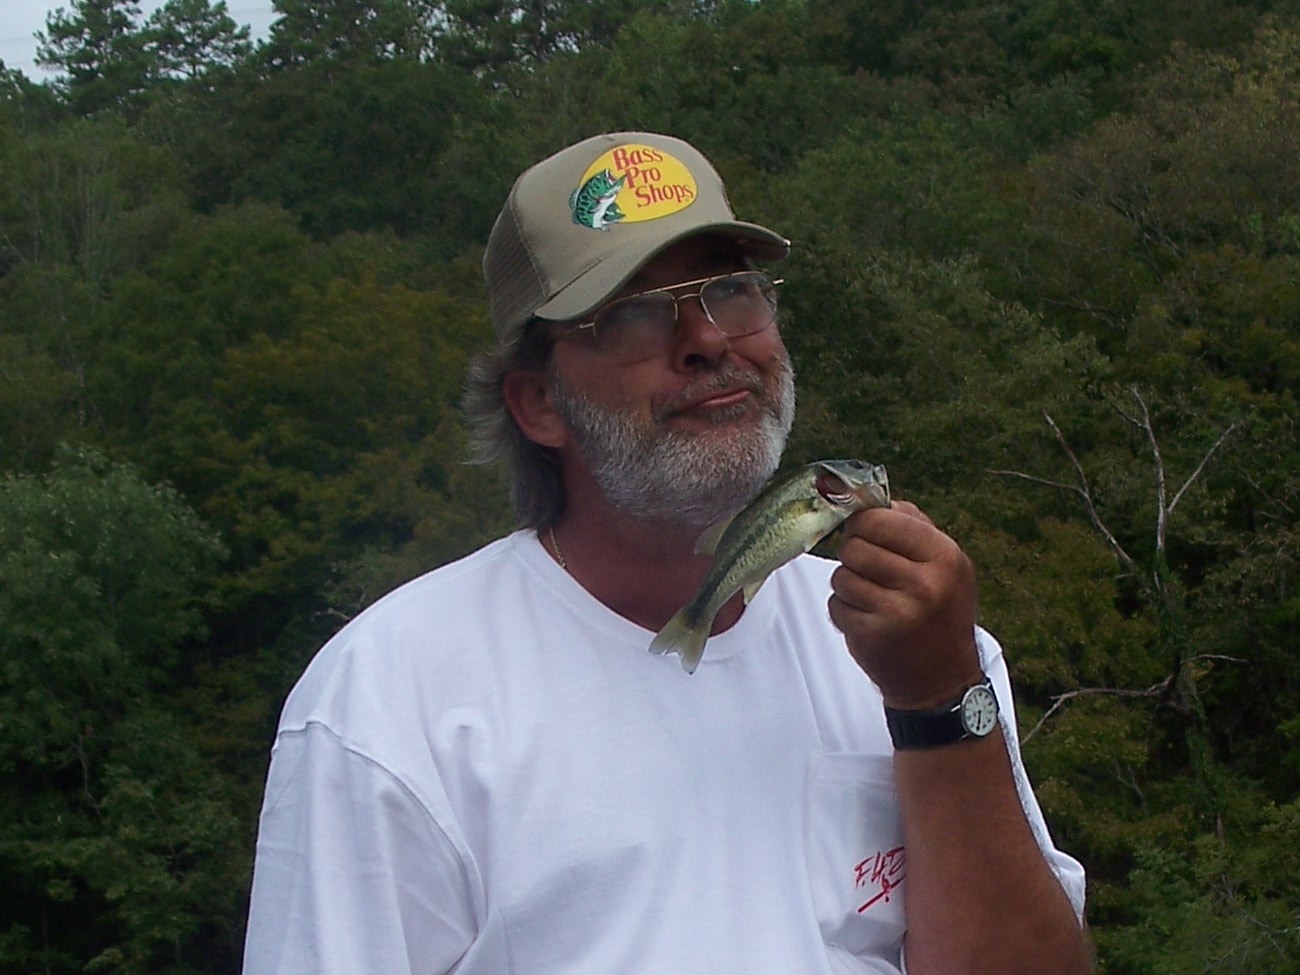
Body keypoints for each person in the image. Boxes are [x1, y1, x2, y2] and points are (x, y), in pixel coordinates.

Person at [242, 131, 1092, 975]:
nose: (708, 338)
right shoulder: (387, 699)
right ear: (538, 403)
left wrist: (937, 701)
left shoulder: (917, 645)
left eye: (731, 289)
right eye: (634, 313)